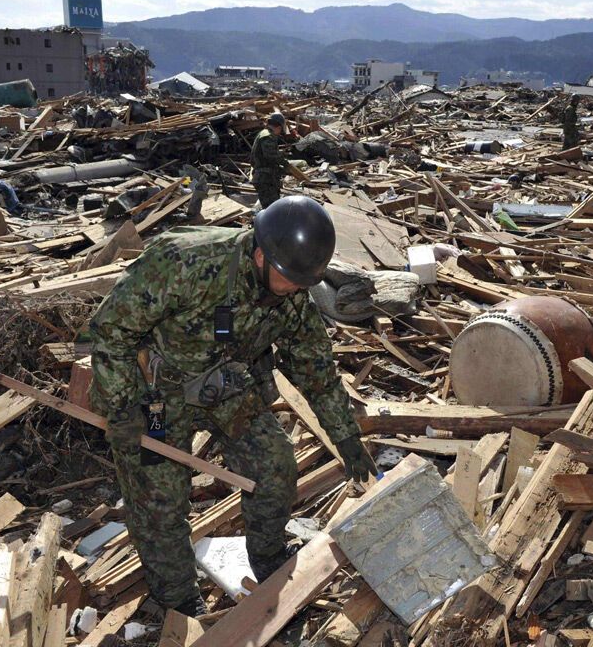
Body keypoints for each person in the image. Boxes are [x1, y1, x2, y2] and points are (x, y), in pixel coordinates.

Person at [89, 196, 378, 617]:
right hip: (156, 397)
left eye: (303, 282)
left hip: (225, 385)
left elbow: (314, 365)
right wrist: (119, 410)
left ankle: (268, 558)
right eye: (290, 279)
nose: (297, 290)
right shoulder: (185, 262)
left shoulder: (291, 291)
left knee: (275, 465)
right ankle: (177, 603)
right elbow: (111, 331)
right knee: (161, 499)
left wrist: (346, 437)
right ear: (261, 255)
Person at [250, 113, 291, 208]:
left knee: (271, 207)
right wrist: (285, 164)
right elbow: (271, 155)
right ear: (278, 126)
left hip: (264, 177)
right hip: (265, 179)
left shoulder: (263, 133)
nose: (280, 133)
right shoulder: (268, 136)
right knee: (272, 208)